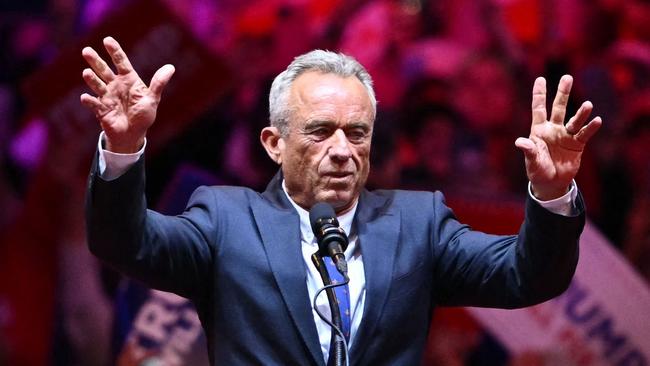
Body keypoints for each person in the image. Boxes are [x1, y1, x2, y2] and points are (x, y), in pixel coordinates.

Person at [81, 37, 601, 365]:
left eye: (357, 133)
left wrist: (552, 193)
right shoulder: (225, 219)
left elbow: (528, 276)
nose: (341, 151)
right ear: (273, 143)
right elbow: (125, 243)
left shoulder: (417, 223)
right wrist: (124, 150)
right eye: (320, 131)